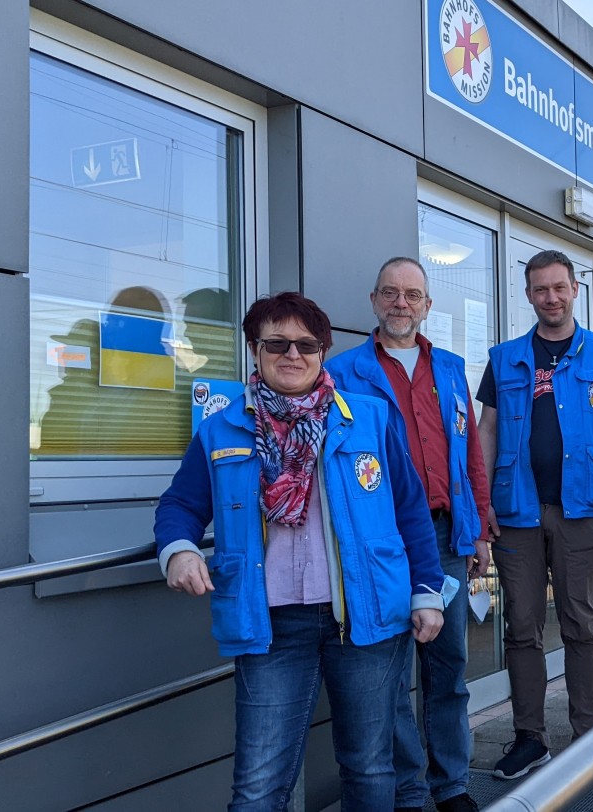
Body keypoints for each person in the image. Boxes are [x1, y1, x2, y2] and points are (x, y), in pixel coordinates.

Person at [154, 292, 456, 811]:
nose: (292, 354)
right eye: (277, 343)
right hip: (270, 624)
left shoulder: (369, 418)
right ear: (255, 349)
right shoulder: (223, 428)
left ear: (323, 351)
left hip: (366, 619)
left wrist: (427, 591)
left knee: (368, 767)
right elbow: (180, 505)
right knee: (257, 786)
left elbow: (411, 512)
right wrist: (179, 550)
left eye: (306, 344)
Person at [327, 258, 490, 812]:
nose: (402, 303)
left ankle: (453, 785)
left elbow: (470, 455)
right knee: (389, 677)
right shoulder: (342, 372)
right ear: (374, 300)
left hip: (443, 540)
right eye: (391, 293)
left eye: (413, 295)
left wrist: (480, 530)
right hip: (375, 545)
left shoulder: (448, 368)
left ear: (427, 305)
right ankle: (410, 789)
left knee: (449, 670)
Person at [476, 249, 593, 781]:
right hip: (516, 511)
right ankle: (530, 739)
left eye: (559, 287)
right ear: (527, 295)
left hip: (581, 510)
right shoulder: (503, 358)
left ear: (575, 291)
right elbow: (487, 432)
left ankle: (589, 737)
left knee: (580, 624)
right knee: (521, 627)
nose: (550, 297)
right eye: (540, 289)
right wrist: (482, 509)